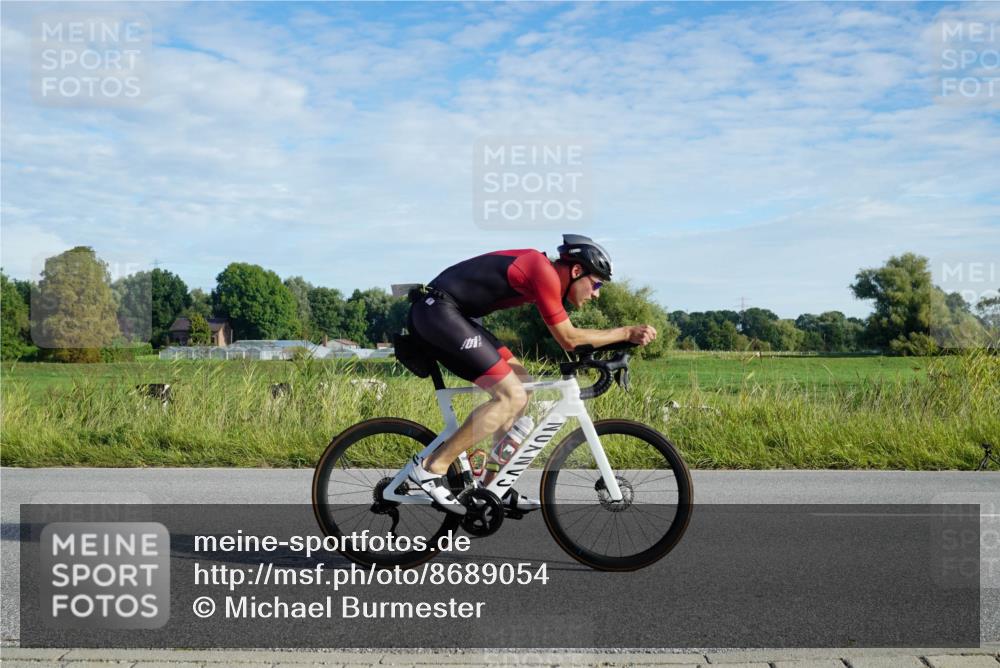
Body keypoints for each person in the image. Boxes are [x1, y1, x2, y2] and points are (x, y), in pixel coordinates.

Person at [405, 234, 658, 515]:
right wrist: (625, 332)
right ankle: (431, 468)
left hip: (457, 316)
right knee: (510, 396)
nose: (597, 293)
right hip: (438, 312)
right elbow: (569, 339)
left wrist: (619, 345)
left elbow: (574, 340)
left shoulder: (546, 276)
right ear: (576, 271)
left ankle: (492, 484)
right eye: (596, 283)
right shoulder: (543, 272)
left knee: (522, 386)